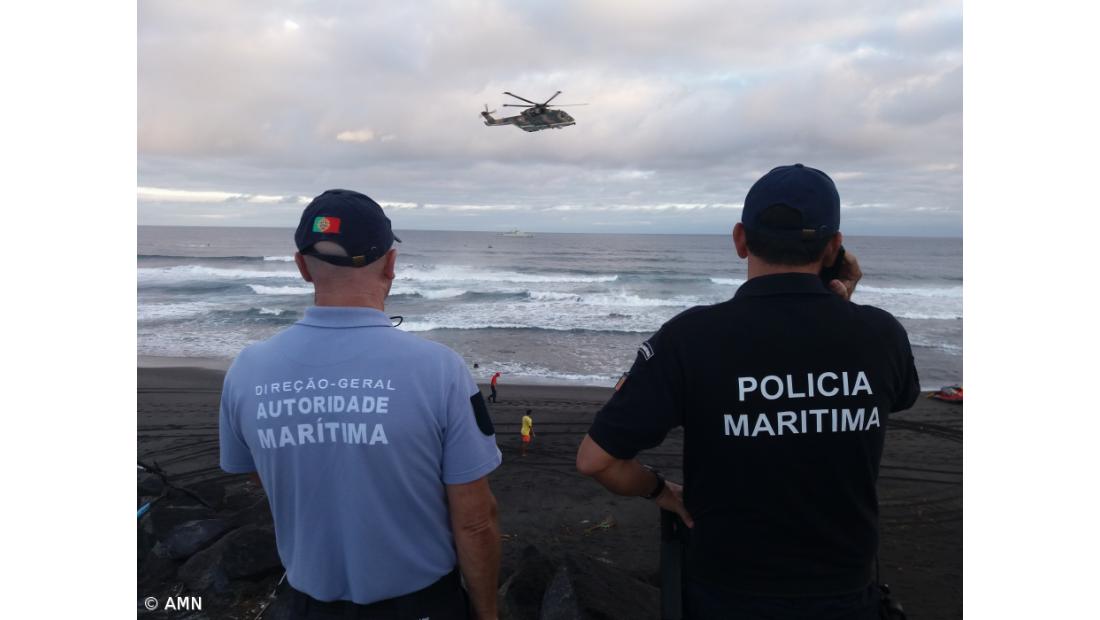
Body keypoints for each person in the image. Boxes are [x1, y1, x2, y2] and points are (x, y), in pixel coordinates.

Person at [575, 164, 920, 619]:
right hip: (844, 594)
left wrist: (659, 490)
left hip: (726, 594)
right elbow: (895, 395)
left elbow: (595, 460)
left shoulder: (690, 338)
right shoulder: (880, 335)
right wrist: (841, 304)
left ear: (740, 239)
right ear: (834, 246)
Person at [218, 189, 503, 620]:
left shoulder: (247, 370)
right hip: (421, 604)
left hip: (309, 604)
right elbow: (475, 521)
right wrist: (486, 612)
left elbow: (268, 474)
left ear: (301, 268)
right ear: (391, 264)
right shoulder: (439, 370)